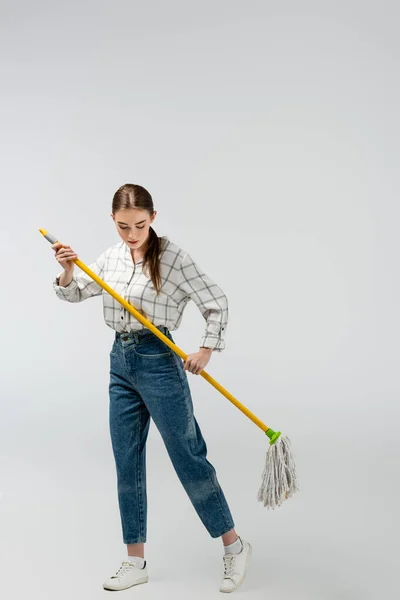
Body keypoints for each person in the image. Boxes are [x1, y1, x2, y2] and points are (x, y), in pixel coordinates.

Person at [51, 183, 252, 593]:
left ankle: (234, 547)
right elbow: (75, 294)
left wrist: (206, 349)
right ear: (112, 220)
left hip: (159, 360)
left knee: (188, 457)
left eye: (140, 225)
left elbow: (216, 300)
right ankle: (135, 560)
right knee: (127, 460)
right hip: (120, 364)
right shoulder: (109, 257)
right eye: (123, 226)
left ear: (153, 218)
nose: (131, 233)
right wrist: (69, 270)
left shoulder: (172, 256)